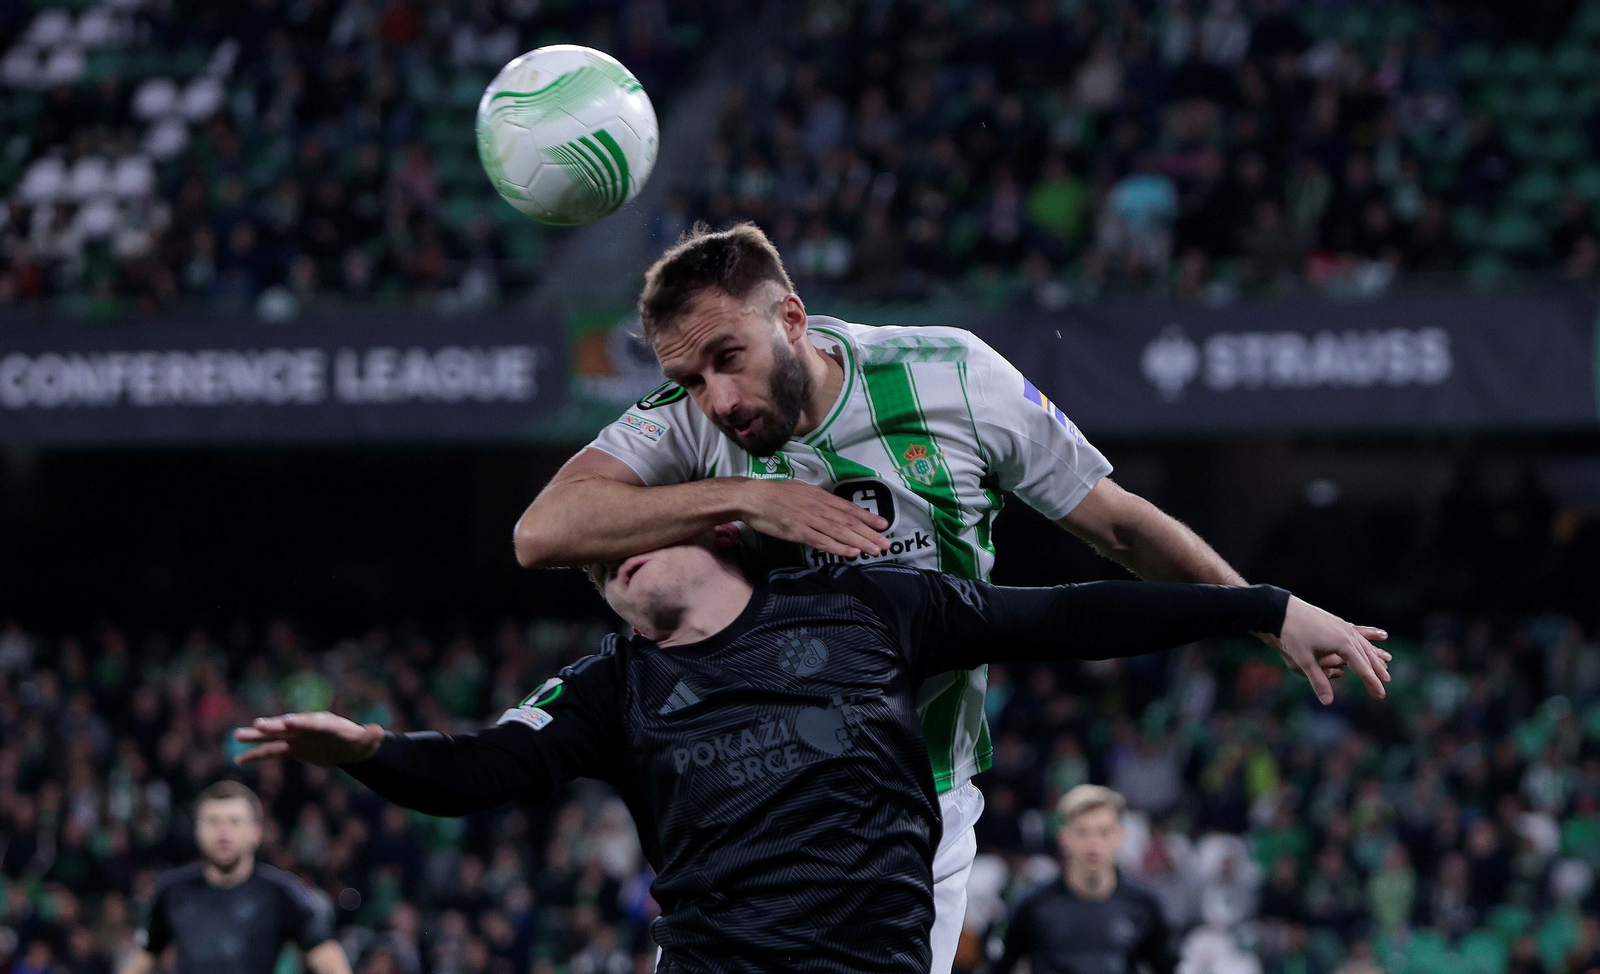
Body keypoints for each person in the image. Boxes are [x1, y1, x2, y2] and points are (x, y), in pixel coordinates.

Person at [510, 222, 1381, 973]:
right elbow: (543, 532)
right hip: (754, 805)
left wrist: (1258, 610)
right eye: (691, 376)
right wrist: (745, 495)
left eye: (727, 359)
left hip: (917, 806)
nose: (718, 398)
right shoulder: (694, 421)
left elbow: (1116, 528)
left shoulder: (950, 376)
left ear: (791, 317)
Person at [235, 530, 1388, 974]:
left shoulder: (866, 605)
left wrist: (1257, 604)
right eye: (591, 569)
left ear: (702, 523)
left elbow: (1069, 613)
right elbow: (483, 766)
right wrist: (367, 750)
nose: (606, 565)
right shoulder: (609, 681)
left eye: (621, 544)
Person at [120, 780, 352, 974]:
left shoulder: (280, 891)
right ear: (197, 831)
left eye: (234, 821)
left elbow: (328, 956)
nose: (224, 831)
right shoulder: (172, 890)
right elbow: (145, 954)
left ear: (256, 832)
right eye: (213, 821)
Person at [986, 785, 1175, 974]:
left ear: (1120, 836)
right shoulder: (1032, 905)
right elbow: (998, 966)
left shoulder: (1144, 905)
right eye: (1083, 832)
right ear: (1064, 838)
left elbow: (1170, 966)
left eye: (1104, 832)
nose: (1093, 843)